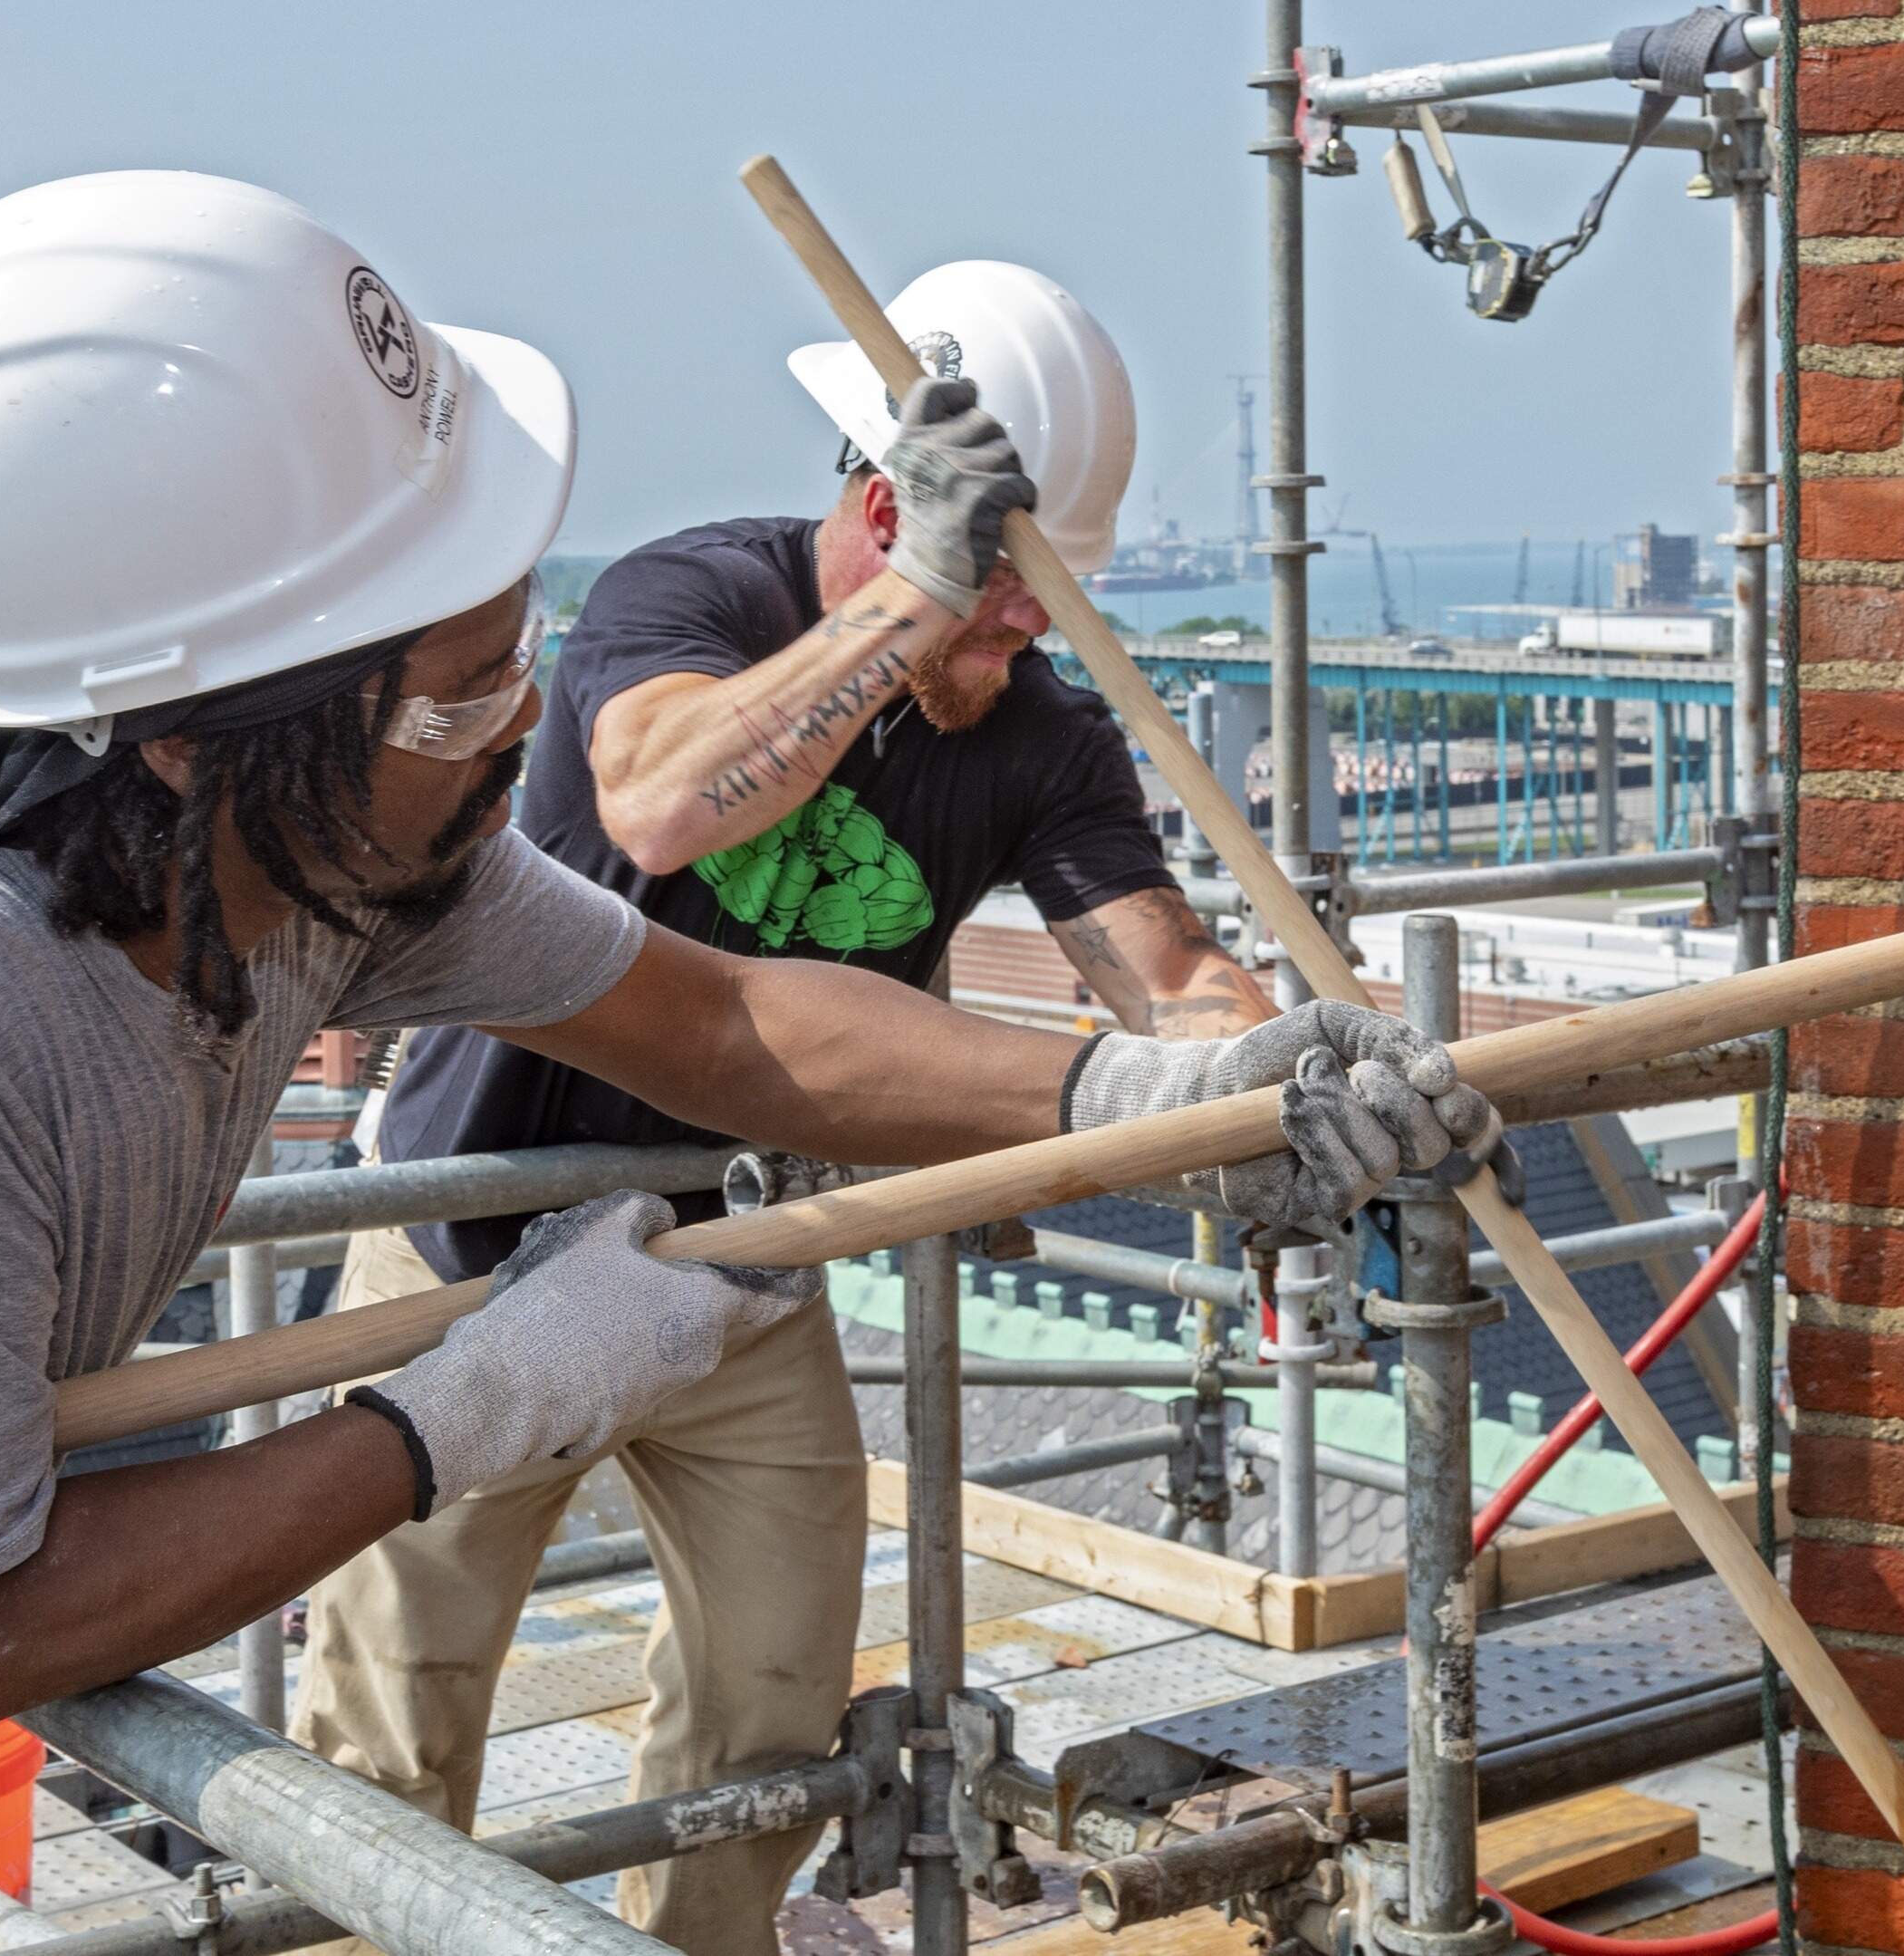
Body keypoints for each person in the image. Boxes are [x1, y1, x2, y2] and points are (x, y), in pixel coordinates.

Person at [0, 176, 1495, 1956]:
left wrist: (1150, 1102)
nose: (521, 722)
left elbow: (723, 1019)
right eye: (469, 691)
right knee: (395, 1725)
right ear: (197, 742)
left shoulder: (331, 868)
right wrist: (469, 1404)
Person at [289, 263, 1292, 1954]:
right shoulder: (689, 595)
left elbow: (1165, 971)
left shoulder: (1038, 739)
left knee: (775, 1689)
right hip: (472, 1241)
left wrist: (1277, 1074)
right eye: (1011, 592)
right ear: (899, 519)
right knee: (397, 1713)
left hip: (741, 1262)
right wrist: (916, 604)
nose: (1032, 632)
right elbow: (660, 801)